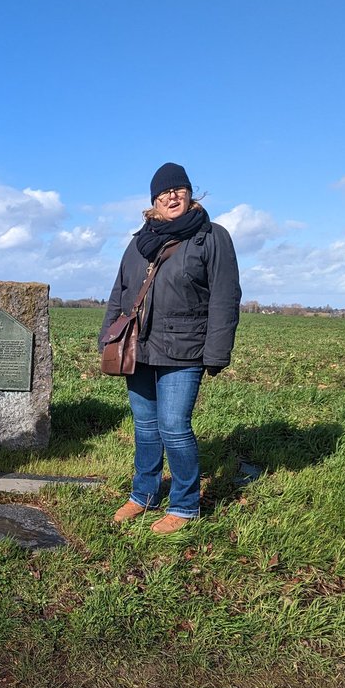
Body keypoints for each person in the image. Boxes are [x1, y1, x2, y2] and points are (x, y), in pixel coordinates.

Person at [99, 162, 240, 534]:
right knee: (145, 428)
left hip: (184, 351)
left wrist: (216, 353)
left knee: (174, 427)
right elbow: (120, 293)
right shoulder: (139, 241)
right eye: (164, 193)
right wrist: (107, 337)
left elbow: (225, 298)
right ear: (153, 201)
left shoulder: (212, 237)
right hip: (139, 349)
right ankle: (143, 494)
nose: (172, 196)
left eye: (179, 189)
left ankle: (184, 505)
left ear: (190, 194)